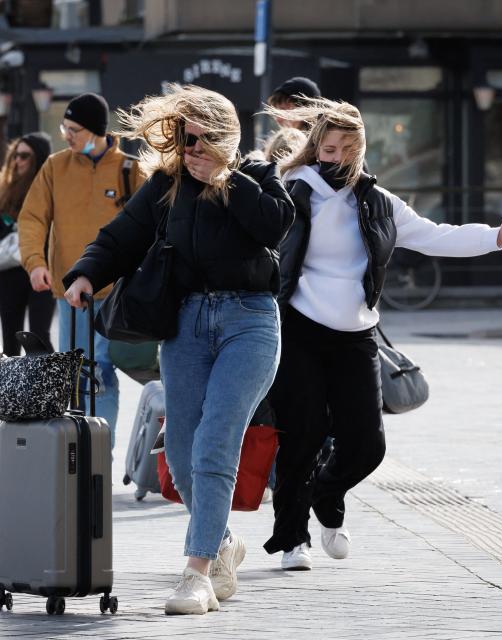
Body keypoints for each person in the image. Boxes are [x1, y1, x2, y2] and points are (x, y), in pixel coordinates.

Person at [260, 98, 502, 571]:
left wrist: (497, 237)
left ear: (360, 149)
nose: (338, 156)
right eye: (328, 147)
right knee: (301, 437)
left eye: (348, 147)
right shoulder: (289, 190)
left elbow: (436, 235)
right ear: (315, 148)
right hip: (300, 327)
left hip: (356, 333)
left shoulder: (377, 202)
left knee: (368, 445)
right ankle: (292, 539)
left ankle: (324, 496)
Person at [63, 84, 295, 615]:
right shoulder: (167, 185)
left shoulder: (257, 175)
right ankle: (222, 542)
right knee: (184, 455)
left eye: (201, 141)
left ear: (223, 138)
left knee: (216, 439)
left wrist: (224, 178)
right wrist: (85, 273)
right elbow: (121, 237)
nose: (191, 151)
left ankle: (196, 575)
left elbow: (275, 227)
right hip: (186, 325)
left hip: (250, 322)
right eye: (185, 140)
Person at [18, 93, 145, 445]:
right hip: (70, 293)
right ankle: (81, 445)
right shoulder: (55, 167)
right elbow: (32, 219)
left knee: (100, 369)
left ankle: (99, 449)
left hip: (116, 292)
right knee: (76, 372)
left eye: (74, 129)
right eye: (65, 128)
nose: (67, 136)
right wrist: (35, 262)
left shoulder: (130, 169)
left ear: (96, 131)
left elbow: (150, 226)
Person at [0, 133, 56, 355]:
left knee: (39, 335)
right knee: (11, 336)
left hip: (42, 269)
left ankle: (49, 388)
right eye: (14, 156)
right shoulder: (4, 190)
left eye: (24, 156)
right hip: (9, 270)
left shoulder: (51, 187)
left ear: (39, 158)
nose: (17, 161)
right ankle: (15, 390)